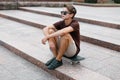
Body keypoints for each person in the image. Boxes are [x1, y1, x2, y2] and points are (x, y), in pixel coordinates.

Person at [41, 4, 80, 70]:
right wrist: (50, 41)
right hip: (62, 48)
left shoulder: (75, 24)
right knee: (50, 31)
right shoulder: (61, 22)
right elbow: (45, 28)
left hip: (72, 51)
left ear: (71, 15)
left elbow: (63, 31)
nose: (62, 14)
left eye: (65, 13)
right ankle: (56, 57)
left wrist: (47, 37)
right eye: (61, 12)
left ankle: (58, 60)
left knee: (65, 35)